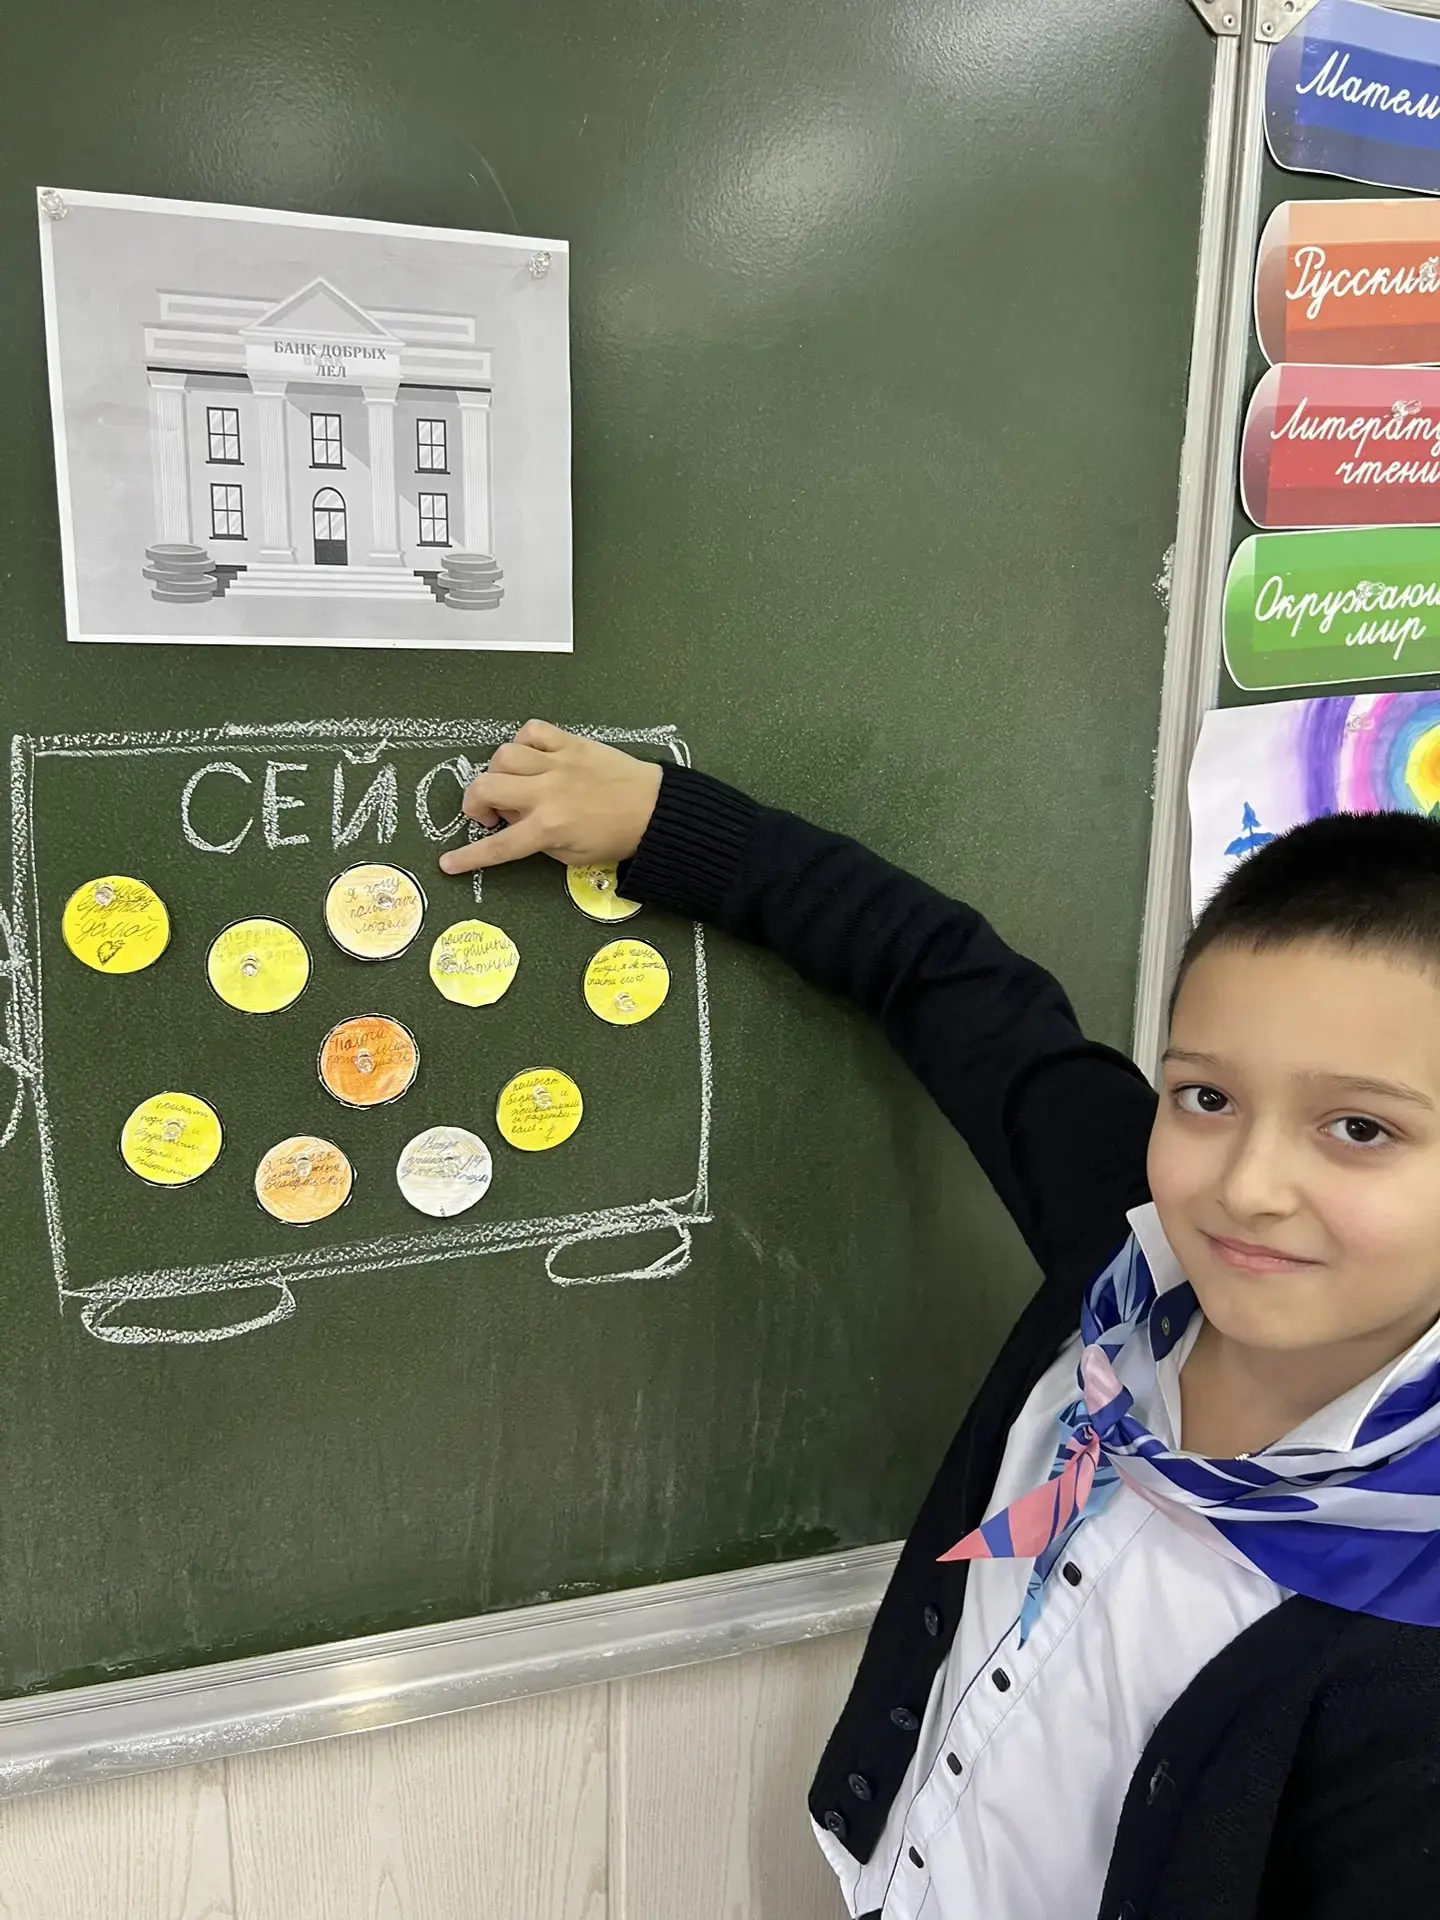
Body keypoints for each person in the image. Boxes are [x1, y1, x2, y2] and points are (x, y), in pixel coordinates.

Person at [441, 720, 1440, 1920]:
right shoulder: (1130, 1252)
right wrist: (667, 825)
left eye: (1361, 1129)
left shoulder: (1409, 1623)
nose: (1248, 1185)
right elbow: (943, 976)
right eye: (1206, 1096)